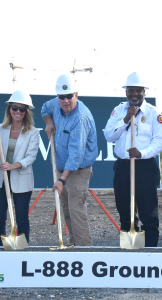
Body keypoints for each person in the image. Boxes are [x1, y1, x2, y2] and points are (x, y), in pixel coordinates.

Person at [104, 72, 162, 247]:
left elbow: (160, 141)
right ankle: (129, 250)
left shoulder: (153, 113)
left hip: (145, 167)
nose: (134, 94)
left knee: (148, 213)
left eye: (138, 91)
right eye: (131, 90)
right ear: (126, 92)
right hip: (123, 167)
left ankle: (151, 251)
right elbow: (109, 136)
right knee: (125, 211)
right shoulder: (118, 111)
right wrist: (125, 120)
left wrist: (142, 153)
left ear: (144, 92)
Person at [41, 74, 98, 246]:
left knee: (76, 211)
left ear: (76, 95)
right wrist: (49, 122)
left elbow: (76, 156)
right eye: (61, 97)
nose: (65, 100)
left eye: (69, 96)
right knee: (66, 210)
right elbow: (44, 108)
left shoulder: (80, 118)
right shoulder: (54, 103)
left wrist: (61, 180)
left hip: (78, 171)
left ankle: (85, 252)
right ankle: (74, 248)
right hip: (62, 169)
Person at [0, 90, 40, 246]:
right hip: (0, 179)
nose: (18, 112)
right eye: (15, 108)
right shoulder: (1, 128)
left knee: (22, 218)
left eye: (22, 109)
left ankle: (22, 251)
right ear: (9, 109)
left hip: (21, 179)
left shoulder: (32, 133)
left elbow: (31, 157)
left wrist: (12, 166)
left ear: (26, 112)